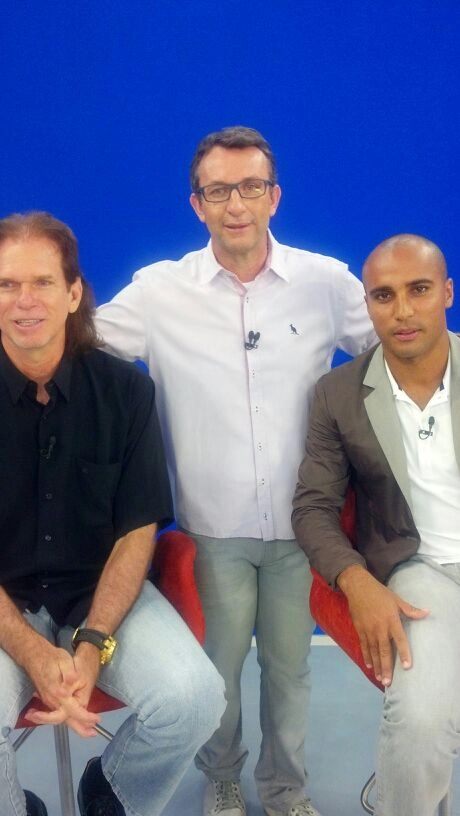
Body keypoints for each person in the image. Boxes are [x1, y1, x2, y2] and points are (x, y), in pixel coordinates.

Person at [96, 125, 376, 816]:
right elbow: (77, 345)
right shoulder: (160, 292)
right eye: (219, 190)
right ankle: (221, 778)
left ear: (274, 196)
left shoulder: (324, 283)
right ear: (198, 205)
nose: (237, 204)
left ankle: (286, 790)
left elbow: (398, 349)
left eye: (251, 187)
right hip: (210, 531)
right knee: (215, 675)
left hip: (298, 530)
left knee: (291, 670)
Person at [0, 211, 225, 816]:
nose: (24, 301)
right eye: (6, 284)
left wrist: (90, 643)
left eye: (43, 282)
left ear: (74, 293)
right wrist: (31, 651)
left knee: (196, 698)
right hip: (3, 606)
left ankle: (113, 794)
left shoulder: (127, 392)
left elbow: (136, 532)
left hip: (100, 598)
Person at [292, 233, 459, 816]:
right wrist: (356, 581)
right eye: (384, 296)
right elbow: (312, 508)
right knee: (419, 724)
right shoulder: (338, 395)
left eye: (418, 290)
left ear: (447, 293)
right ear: (367, 306)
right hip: (417, 576)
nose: (403, 311)